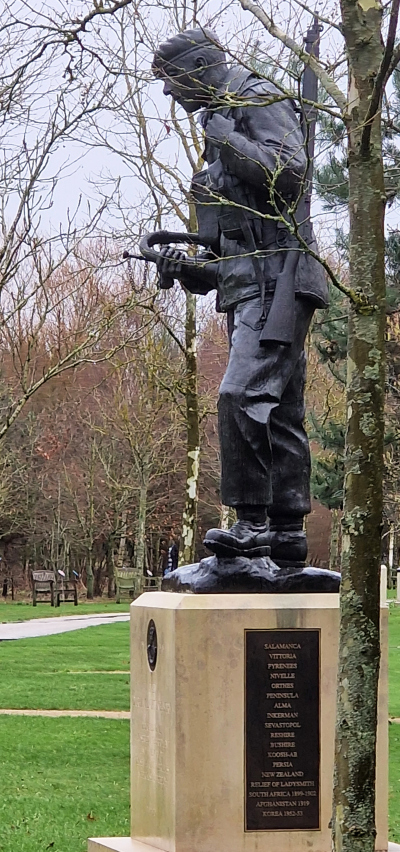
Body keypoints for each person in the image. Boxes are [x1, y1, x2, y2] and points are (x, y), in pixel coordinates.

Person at [152, 28, 328, 567]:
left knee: (240, 396)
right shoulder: (221, 119)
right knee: (281, 412)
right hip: (251, 287)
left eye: (173, 80)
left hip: (281, 280)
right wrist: (191, 269)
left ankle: (251, 524)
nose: (169, 93)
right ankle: (287, 534)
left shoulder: (254, 97)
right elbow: (231, 248)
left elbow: (290, 175)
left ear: (200, 67)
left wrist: (227, 138)